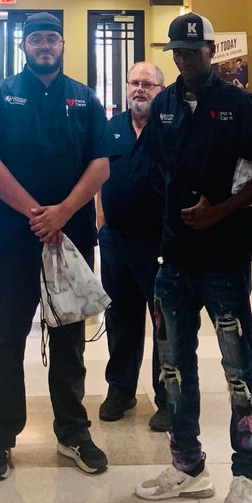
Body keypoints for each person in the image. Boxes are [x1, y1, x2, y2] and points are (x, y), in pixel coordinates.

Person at [135, 12, 252, 503]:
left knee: (238, 364)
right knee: (173, 363)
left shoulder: (239, 104)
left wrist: (219, 211)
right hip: (173, 259)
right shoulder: (165, 105)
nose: (183, 58)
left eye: (193, 51)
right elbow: (151, 168)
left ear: (212, 52)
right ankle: (188, 465)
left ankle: (247, 474)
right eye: (177, 50)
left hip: (224, 256)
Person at [0, 12, 114, 481]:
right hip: (15, 239)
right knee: (7, 339)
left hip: (70, 239)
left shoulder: (85, 98)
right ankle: (0, 438)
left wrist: (64, 213)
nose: (44, 46)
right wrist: (38, 214)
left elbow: (102, 163)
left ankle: (73, 432)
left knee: (70, 338)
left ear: (62, 44)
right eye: (36, 39)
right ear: (24, 46)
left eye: (51, 38)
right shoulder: (1, 97)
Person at [96, 60, 170, 432]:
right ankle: (120, 390)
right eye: (134, 83)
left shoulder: (170, 129)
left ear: (160, 89)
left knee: (164, 323)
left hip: (157, 244)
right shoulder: (112, 129)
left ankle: (168, 398)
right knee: (120, 319)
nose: (140, 89)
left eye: (148, 84)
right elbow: (97, 172)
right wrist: (100, 215)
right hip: (115, 243)